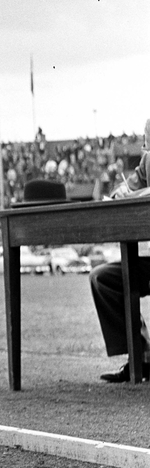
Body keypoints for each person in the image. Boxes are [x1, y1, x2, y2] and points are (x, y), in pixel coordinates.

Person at [92, 119, 150, 382]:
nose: (147, 147)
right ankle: (143, 356)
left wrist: (132, 196)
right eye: (147, 141)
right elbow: (128, 189)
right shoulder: (147, 163)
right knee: (103, 279)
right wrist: (120, 193)